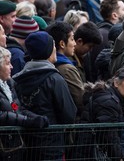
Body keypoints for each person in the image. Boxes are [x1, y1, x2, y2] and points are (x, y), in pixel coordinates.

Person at [13, 31, 77, 160]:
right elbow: (69, 114)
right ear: (47, 50)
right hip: (52, 145)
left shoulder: (18, 79)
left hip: (27, 145)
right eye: (53, 45)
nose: (55, 49)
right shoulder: (54, 79)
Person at [77, 66, 124, 160]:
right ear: (116, 82)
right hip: (89, 152)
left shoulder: (111, 97)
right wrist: (119, 157)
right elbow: (109, 136)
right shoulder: (109, 101)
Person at [0, 47, 49, 160]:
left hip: (13, 147)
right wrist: (28, 121)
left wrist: (36, 118)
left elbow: (18, 108)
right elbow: (2, 115)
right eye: (7, 64)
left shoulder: (9, 84)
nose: (11, 67)